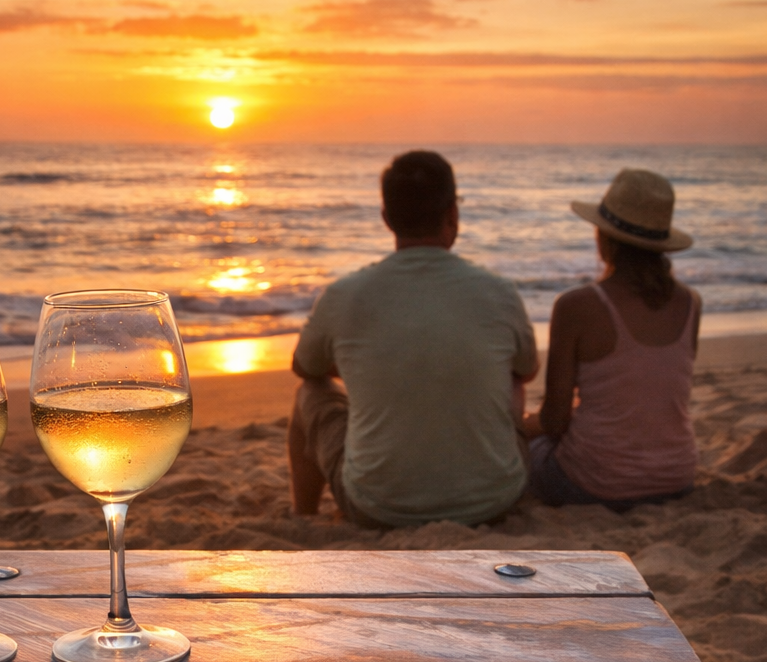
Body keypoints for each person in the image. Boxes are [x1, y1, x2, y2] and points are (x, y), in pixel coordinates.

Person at [288, 150, 538, 529]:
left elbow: (306, 367)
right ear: (453, 214)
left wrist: (373, 364)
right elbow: (528, 368)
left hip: (377, 508)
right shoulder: (499, 292)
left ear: (386, 218)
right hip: (493, 502)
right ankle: (482, 472)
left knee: (310, 392)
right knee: (512, 378)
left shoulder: (345, 295)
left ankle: (303, 514)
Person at [526, 168, 700, 509]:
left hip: (597, 484)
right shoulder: (690, 303)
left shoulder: (577, 306)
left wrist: (520, 424)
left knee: (525, 448)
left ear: (604, 238)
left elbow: (555, 420)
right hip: (677, 477)